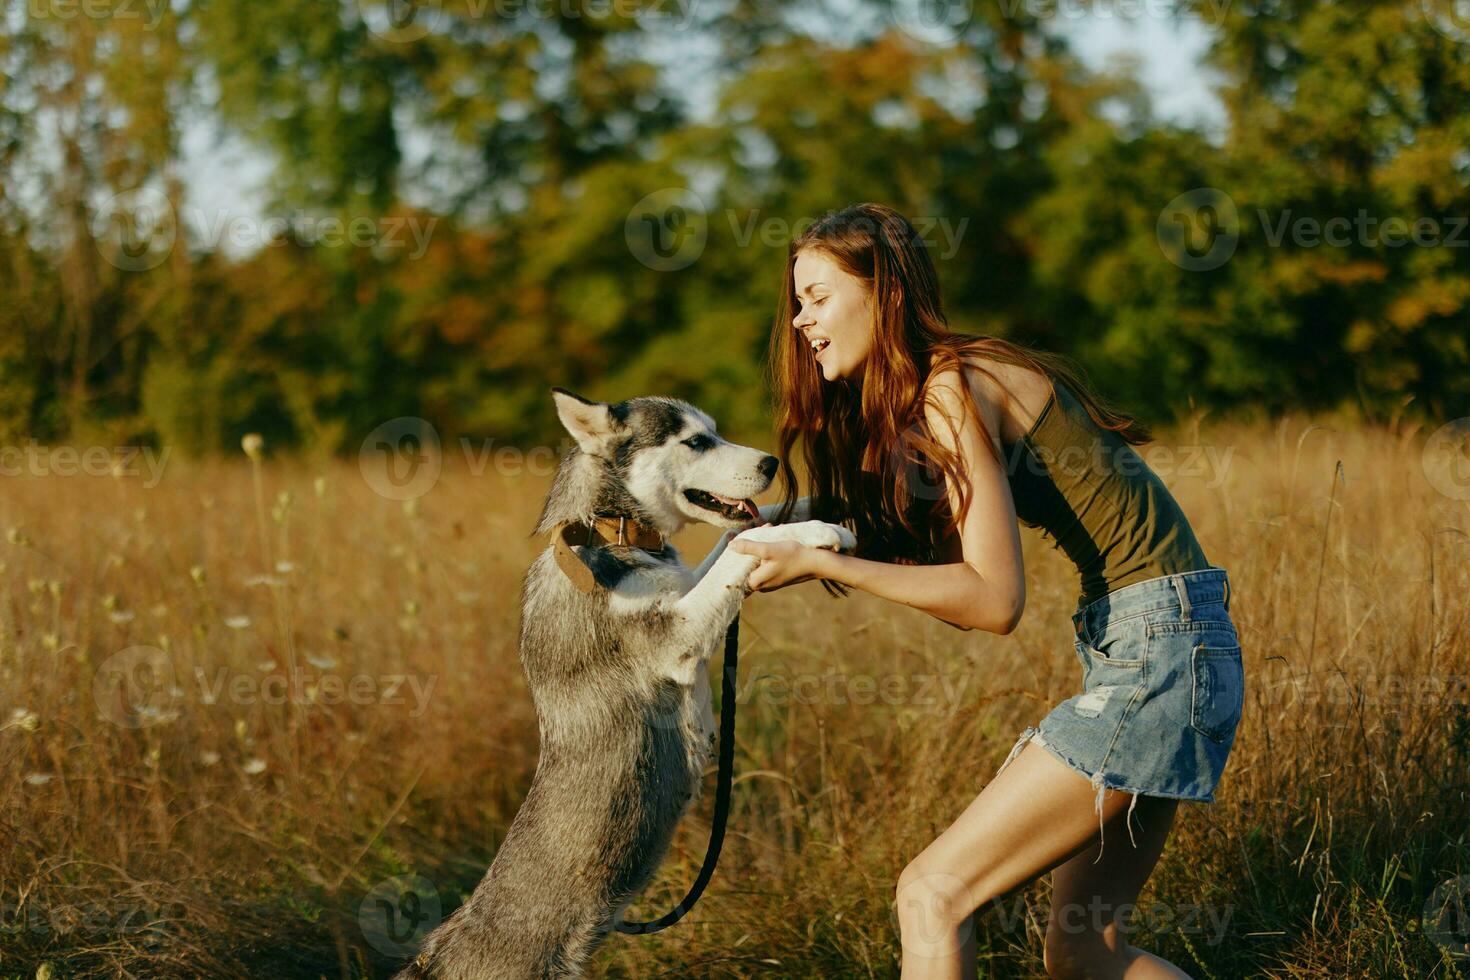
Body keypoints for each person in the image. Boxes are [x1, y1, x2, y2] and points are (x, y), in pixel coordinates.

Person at [728, 203, 1244, 980]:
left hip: (1161, 656)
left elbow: (993, 600)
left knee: (933, 895)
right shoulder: (945, 384)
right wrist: (771, 522)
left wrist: (824, 564)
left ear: (884, 293)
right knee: (1084, 953)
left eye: (818, 296)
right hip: (1169, 648)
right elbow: (913, 540)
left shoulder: (951, 385)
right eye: (797, 300)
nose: (800, 320)